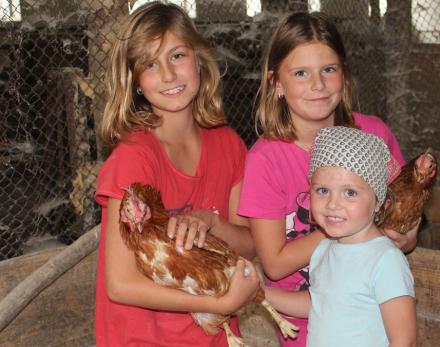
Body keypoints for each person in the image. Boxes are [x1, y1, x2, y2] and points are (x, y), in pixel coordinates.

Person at [238, 11, 419, 346]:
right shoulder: (266, 160)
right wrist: (348, 226)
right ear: (277, 82)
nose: (318, 85)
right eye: (301, 72)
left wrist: (406, 232)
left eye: (329, 70)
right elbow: (275, 264)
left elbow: (404, 208)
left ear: (345, 75)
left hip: (374, 321)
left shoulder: (374, 136)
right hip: (306, 328)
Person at [94, 2, 259, 346]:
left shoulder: (228, 145)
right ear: (136, 81)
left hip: (214, 337)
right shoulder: (134, 157)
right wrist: (222, 302)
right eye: (151, 64)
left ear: (198, 59)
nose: (169, 75)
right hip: (143, 339)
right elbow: (120, 283)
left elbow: (252, 243)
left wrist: (213, 223)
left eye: (177, 56)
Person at [265, 126, 417, 347]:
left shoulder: (385, 260)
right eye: (322, 191)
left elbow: (404, 341)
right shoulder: (323, 250)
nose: (333, 204)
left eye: (350, 193)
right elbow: (318, 304)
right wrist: (260, 293)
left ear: (379, 203)